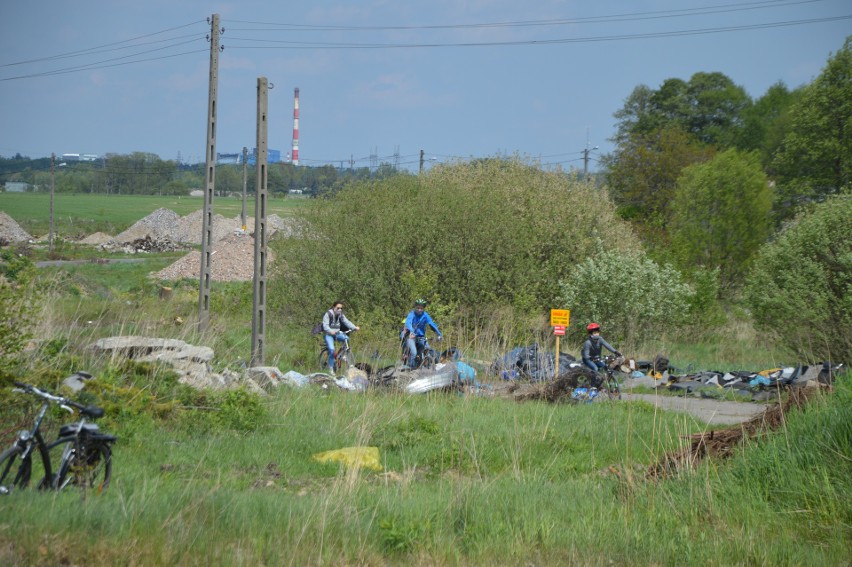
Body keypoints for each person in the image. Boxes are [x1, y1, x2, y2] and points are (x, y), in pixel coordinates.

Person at [402, 298, 442, 369]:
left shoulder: (425, 315)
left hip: (421, 338)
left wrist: (439, 333)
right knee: (414, 353)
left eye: (421, 308)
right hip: (412, 337)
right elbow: (408, 322)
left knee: (428, 350)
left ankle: (424, 366)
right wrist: (411, 331)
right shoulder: (412, 314)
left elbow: (431, 324)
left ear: (423, 308)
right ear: (415, 307)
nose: (419, 310)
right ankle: (410, 368)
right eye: (418, 308)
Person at [321, 301, 360, 373]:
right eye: (338, 308)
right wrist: (330, 331)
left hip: (337, 333)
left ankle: (342, 354)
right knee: (332, 350)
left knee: (346, 338)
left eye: (341, 308)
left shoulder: (341, 315)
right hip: (329, 334)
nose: (340, 310)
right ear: (333, 307)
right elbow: (325, 326)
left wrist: (354, 327)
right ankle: (330, 368)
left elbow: (346, 322)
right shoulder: (328, 314)